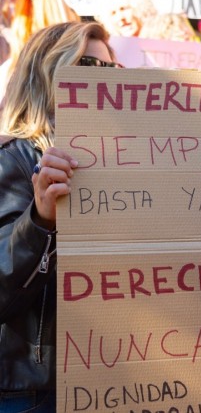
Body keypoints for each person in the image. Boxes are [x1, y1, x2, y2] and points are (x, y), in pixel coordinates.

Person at [0, 21, 119, 412]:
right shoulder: (11, 159)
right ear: (46, 72)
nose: (102, 81)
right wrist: (41, 220)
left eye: (111, 70)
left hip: (114, 378)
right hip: (34, 392)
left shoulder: (124, 164)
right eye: (86, 66)